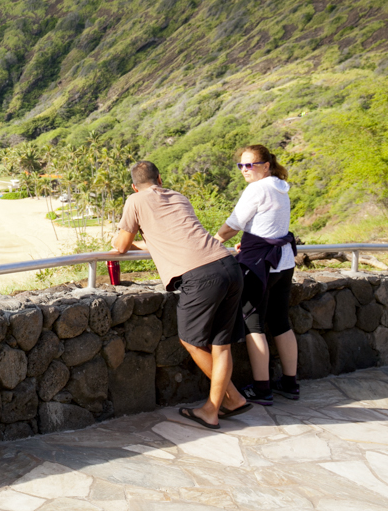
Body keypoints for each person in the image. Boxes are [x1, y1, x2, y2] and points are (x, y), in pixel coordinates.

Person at [111, 160, 250, 429]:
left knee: (191, 341)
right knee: (221, 345)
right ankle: (230, 401)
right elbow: (176, 236)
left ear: (133, 186)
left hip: (200, 275)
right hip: (228, 265)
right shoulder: (178, 197)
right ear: (159, 178)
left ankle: (223, 403)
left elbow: (120, 247)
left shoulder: (135, 201)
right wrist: (145, 241)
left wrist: (124, 240)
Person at [214, 145, 299, 404]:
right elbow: (267, 225)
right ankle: (290, 383)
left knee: (254, 324)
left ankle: (262, 389)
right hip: (282, 263)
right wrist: (249, 241)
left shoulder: (257, 188)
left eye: (250, 165)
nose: (244, 170)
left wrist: (214, 240)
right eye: (241, 165)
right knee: (281, 322)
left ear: (266, 165)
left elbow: (234, 223)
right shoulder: (280, 187)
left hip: (260, 265)